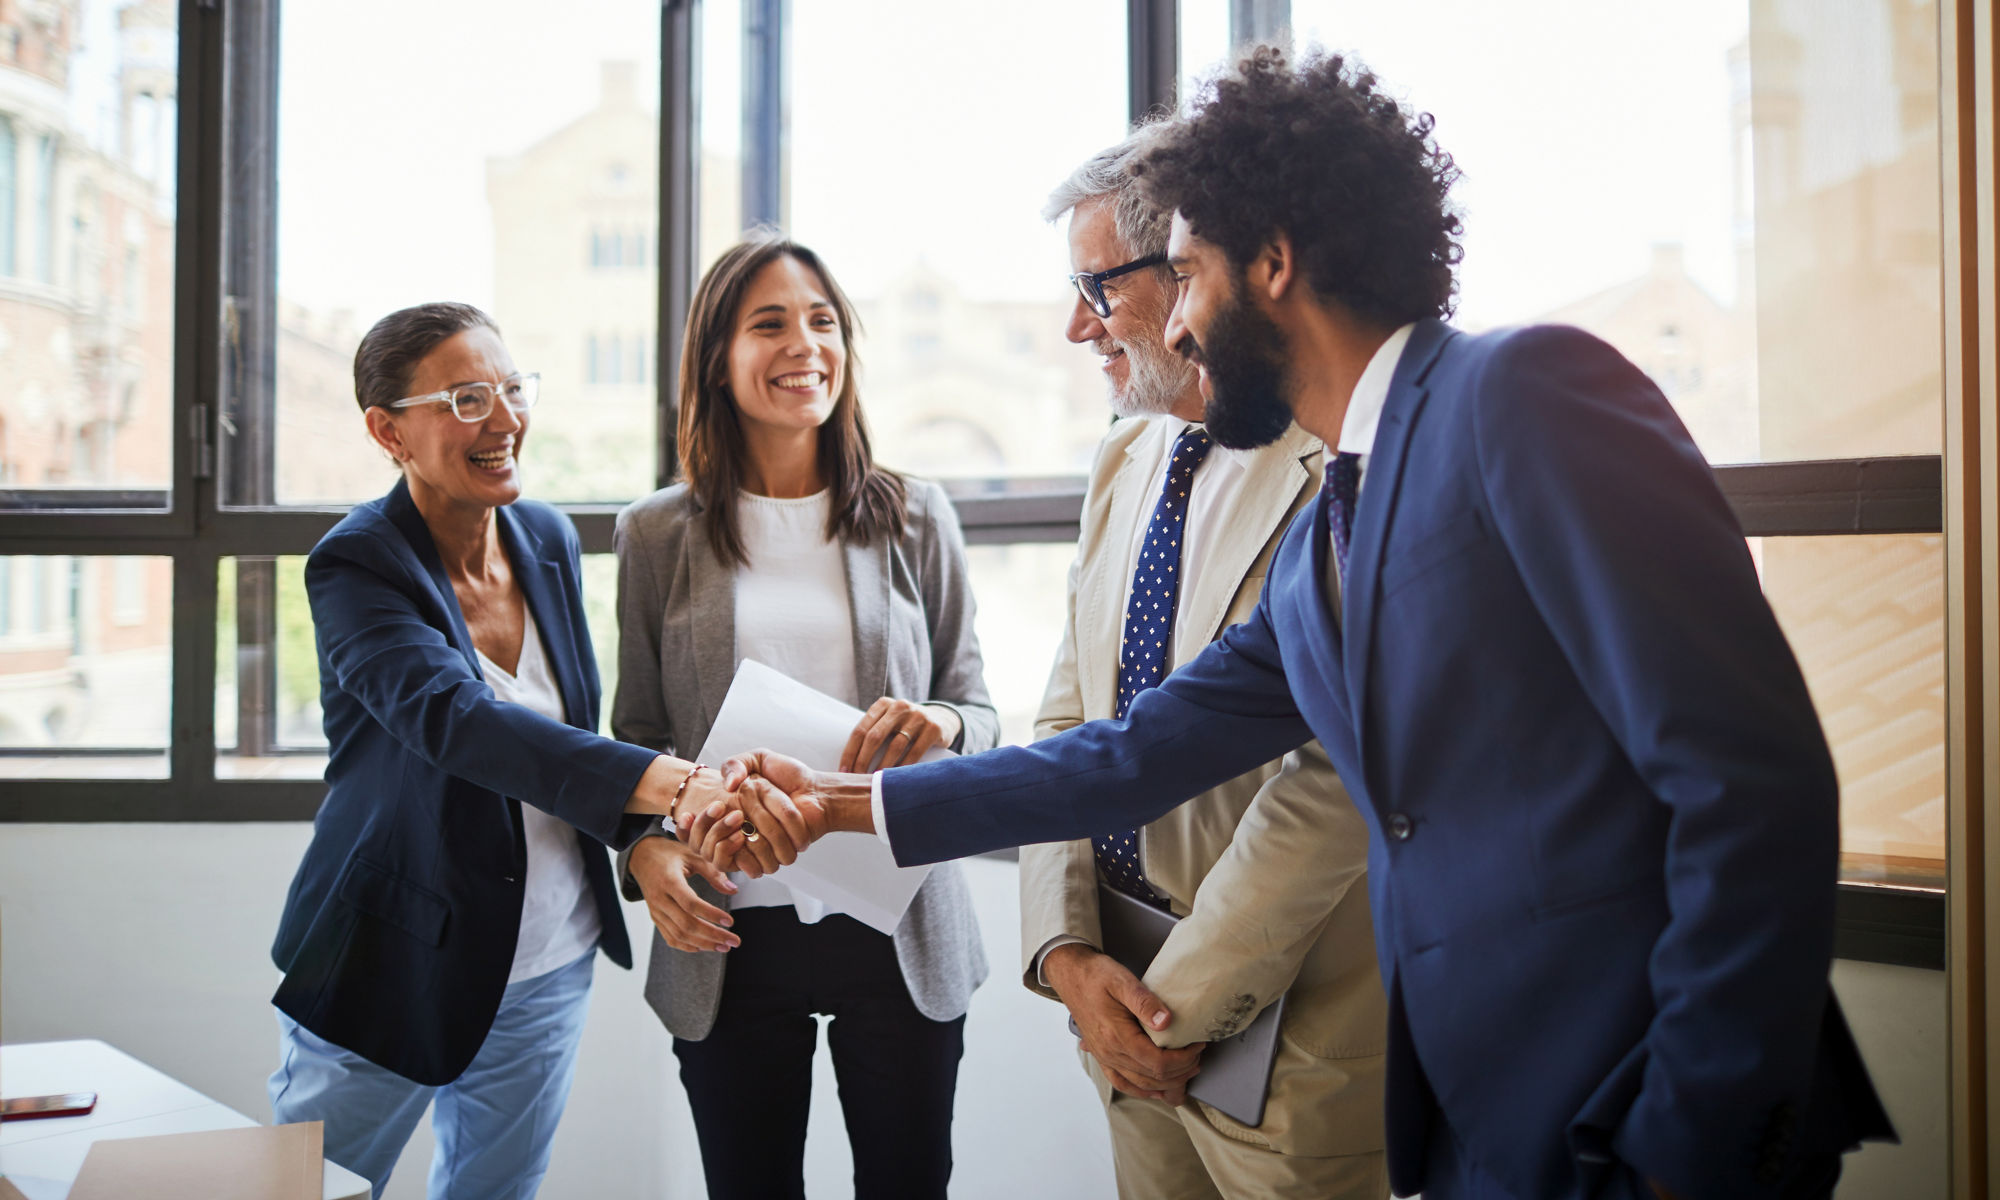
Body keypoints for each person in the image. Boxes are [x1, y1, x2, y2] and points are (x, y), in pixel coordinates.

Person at [693, 49, 1896, 1200]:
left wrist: (1694, 1143)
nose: (1171, 325)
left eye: (1189, 275)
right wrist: (838, 804)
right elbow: (1131, 753)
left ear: (1270, 261)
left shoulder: (1522, 394)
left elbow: (1752, 783)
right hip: (1485, 1122)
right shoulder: (1336, 514)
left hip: (1642, 1116)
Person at [268, 302, 737, 1198]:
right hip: (390, 956)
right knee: (308, 1190)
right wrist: (669, 784)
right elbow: (454, 721)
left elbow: (565, 740)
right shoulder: (357, 564)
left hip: (547, 956)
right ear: (387, 430)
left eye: (512, 389)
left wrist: (641, 834)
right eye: (467, 398)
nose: (506, 419)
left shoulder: (546, 538)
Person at [1022, 131, 1386, 1198]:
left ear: (1192, 268)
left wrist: (1173, 1003)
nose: (1076, 325)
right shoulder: (1123, 452)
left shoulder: (1339, 466)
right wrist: (1064, 956)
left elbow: (1332, 785)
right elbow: (1066, 721)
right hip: (1113, 995)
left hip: (1291, 1031)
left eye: (1098, 287)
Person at [611, 233, 996, 1200]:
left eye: (823, 322)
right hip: (730, 928)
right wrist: (645, 850)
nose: (805, 345)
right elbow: (635, 739)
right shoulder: (657, 532)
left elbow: (981, 709)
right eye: (771, 323)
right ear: (718, 357)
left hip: (897, 919)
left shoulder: (916, 514)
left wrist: (943, 725)